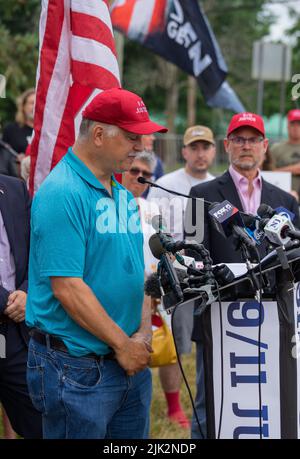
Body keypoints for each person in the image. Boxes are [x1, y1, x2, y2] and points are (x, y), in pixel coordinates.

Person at [25, 87, 167, 439]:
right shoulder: (63, 192)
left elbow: (140, 270)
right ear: (99, 134)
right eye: (133, 137)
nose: (141, 148)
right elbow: (68, 288)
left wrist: (143, 333)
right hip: (77, 369)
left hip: (127, 359)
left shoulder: (119, 191)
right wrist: (123, 345)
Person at [188, 112, 300, 439]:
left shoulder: (285, 200)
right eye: (239, 139)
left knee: (272, 401)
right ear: (227, 145)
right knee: (210, 405)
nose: (246, 146)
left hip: (273, 320)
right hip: (220, 320)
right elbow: (194, 253)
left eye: (253, 140)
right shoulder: (200, 193)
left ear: (265, 146)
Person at [147, 125, 216, 428]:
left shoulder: (217, 186)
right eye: (194, 148)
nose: (200, 154)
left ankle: (209, 397)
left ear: (214, 151)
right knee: (174, 344)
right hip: (177, 272)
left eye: (206, 147)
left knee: (211, 341)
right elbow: (154, 223)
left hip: (209, 274)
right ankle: (175, 404)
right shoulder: (165, 183)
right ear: (185, 151)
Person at [122, 151, 190, 429]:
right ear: (123, 170)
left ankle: (174, 406)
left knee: (167, 348)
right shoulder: (106, 206)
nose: (139, 176)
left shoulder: (153, 211)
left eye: (146, 174)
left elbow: (167, 250)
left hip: (154, 290)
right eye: (133, 169)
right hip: (122, 294)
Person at [0, 174, 42, 439]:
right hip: (11, 310)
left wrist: (27, 292)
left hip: (16, 334)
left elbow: (36, 250)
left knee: (40, 425)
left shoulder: (13, 188)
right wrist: (7, 301)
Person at [2, 89, 35, 173]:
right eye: (32, 103)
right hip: (15, 177)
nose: (35, 106)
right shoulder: (11, 129)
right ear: (23, 106)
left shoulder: (46, 133)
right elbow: (3, 156)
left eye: (37, 103)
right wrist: (15, 159)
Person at [270, 109, 300, 195]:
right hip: (280, 197)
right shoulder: (276, 148)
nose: (296, 127)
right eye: (293, 124)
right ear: (287, 126)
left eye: (299, 124)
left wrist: (278, 171)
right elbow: (267, 172)